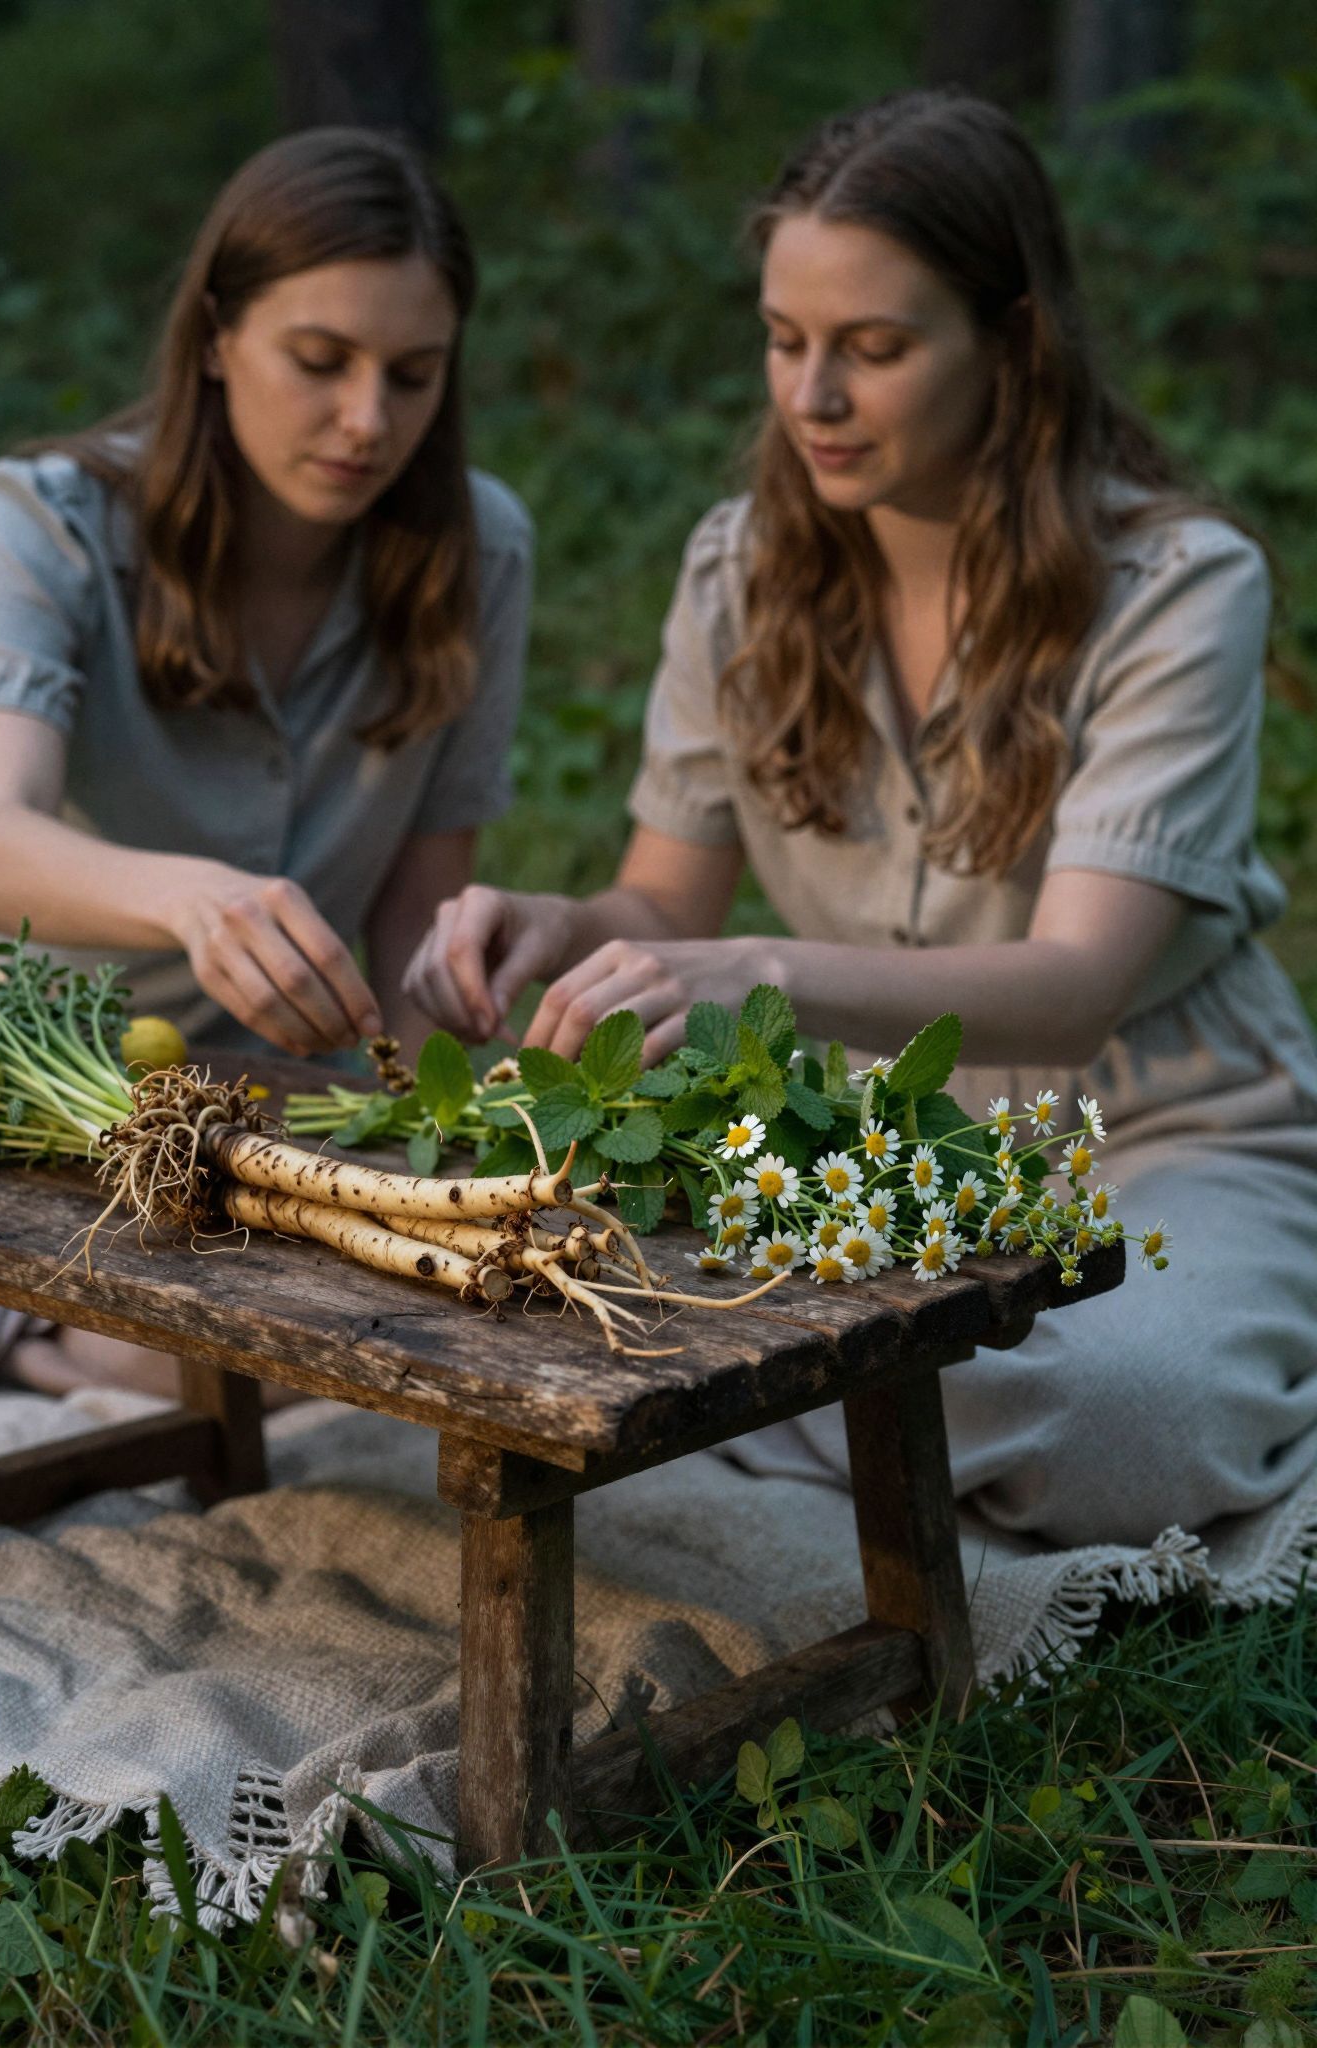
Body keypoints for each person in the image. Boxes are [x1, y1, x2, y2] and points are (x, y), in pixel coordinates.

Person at [403, 90, 1317, 1551]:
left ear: (1012, 344)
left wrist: (759, 973)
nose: (811, 397)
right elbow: (664, 909)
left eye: (874, 350)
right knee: (569, 1303)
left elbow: (1077, 981)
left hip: (1162, 1134)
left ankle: (837, 1419)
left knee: (1119, 1416)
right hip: (860, 1156)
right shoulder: (741, 572)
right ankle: (844, 1417)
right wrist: (561, 928)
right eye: (784, 340)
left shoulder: (1178, 585)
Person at [0, 127, 532, 1411]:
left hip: (254, 1125)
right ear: (213, 337)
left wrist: (422, 1145)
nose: (367, 420)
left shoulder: (481, 550)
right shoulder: (44, 520)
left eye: (413, 376)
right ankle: (39, 1348)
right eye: (319, 361)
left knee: (339, 1343)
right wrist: (194, 896)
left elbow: (419, 910)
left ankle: (42, 1350)